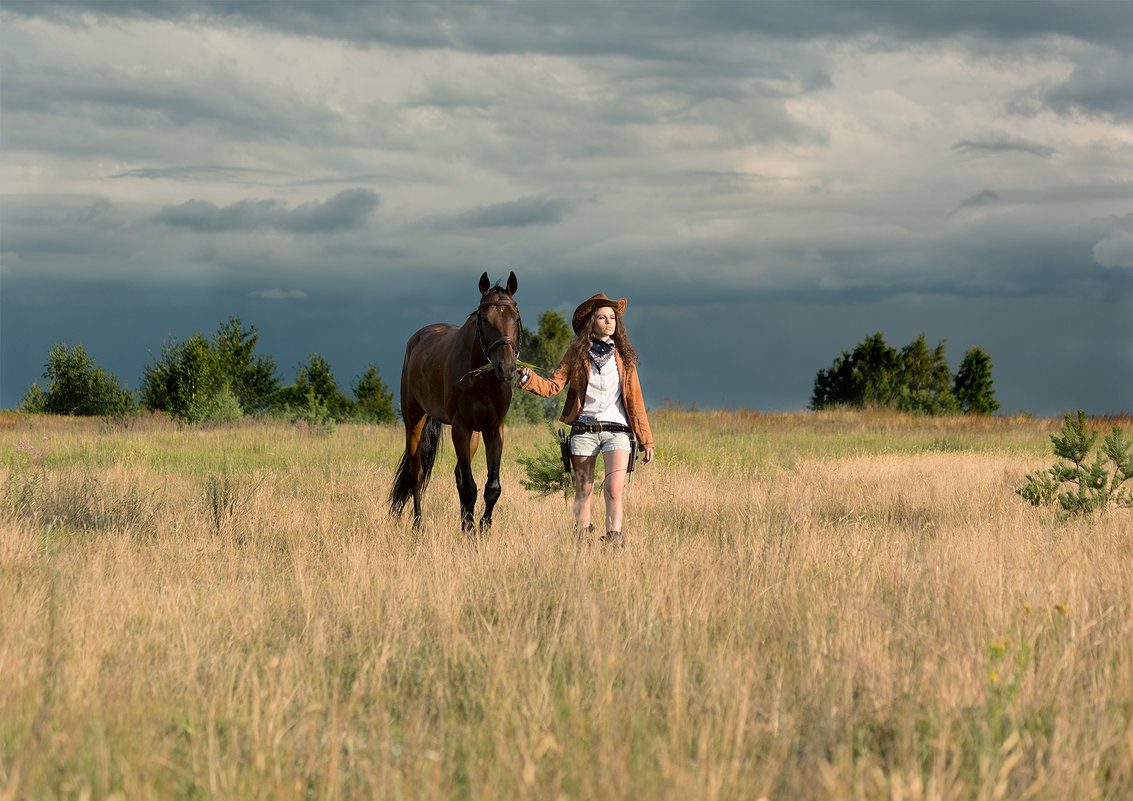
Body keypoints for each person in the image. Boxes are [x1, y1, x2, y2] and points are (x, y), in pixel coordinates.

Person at [516, 293, 654, 546]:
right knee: (584, 490)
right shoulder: (576, 354)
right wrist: (526, 378)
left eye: (612, 318)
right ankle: (582, 541)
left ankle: (614, 542)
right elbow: (552, 386)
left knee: (614, 489)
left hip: (618, 431)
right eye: (602, 317)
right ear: (592, 322)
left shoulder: (624, 357)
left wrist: (646, 441)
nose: (609, 321)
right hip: (584, 430)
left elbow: (635, 401)